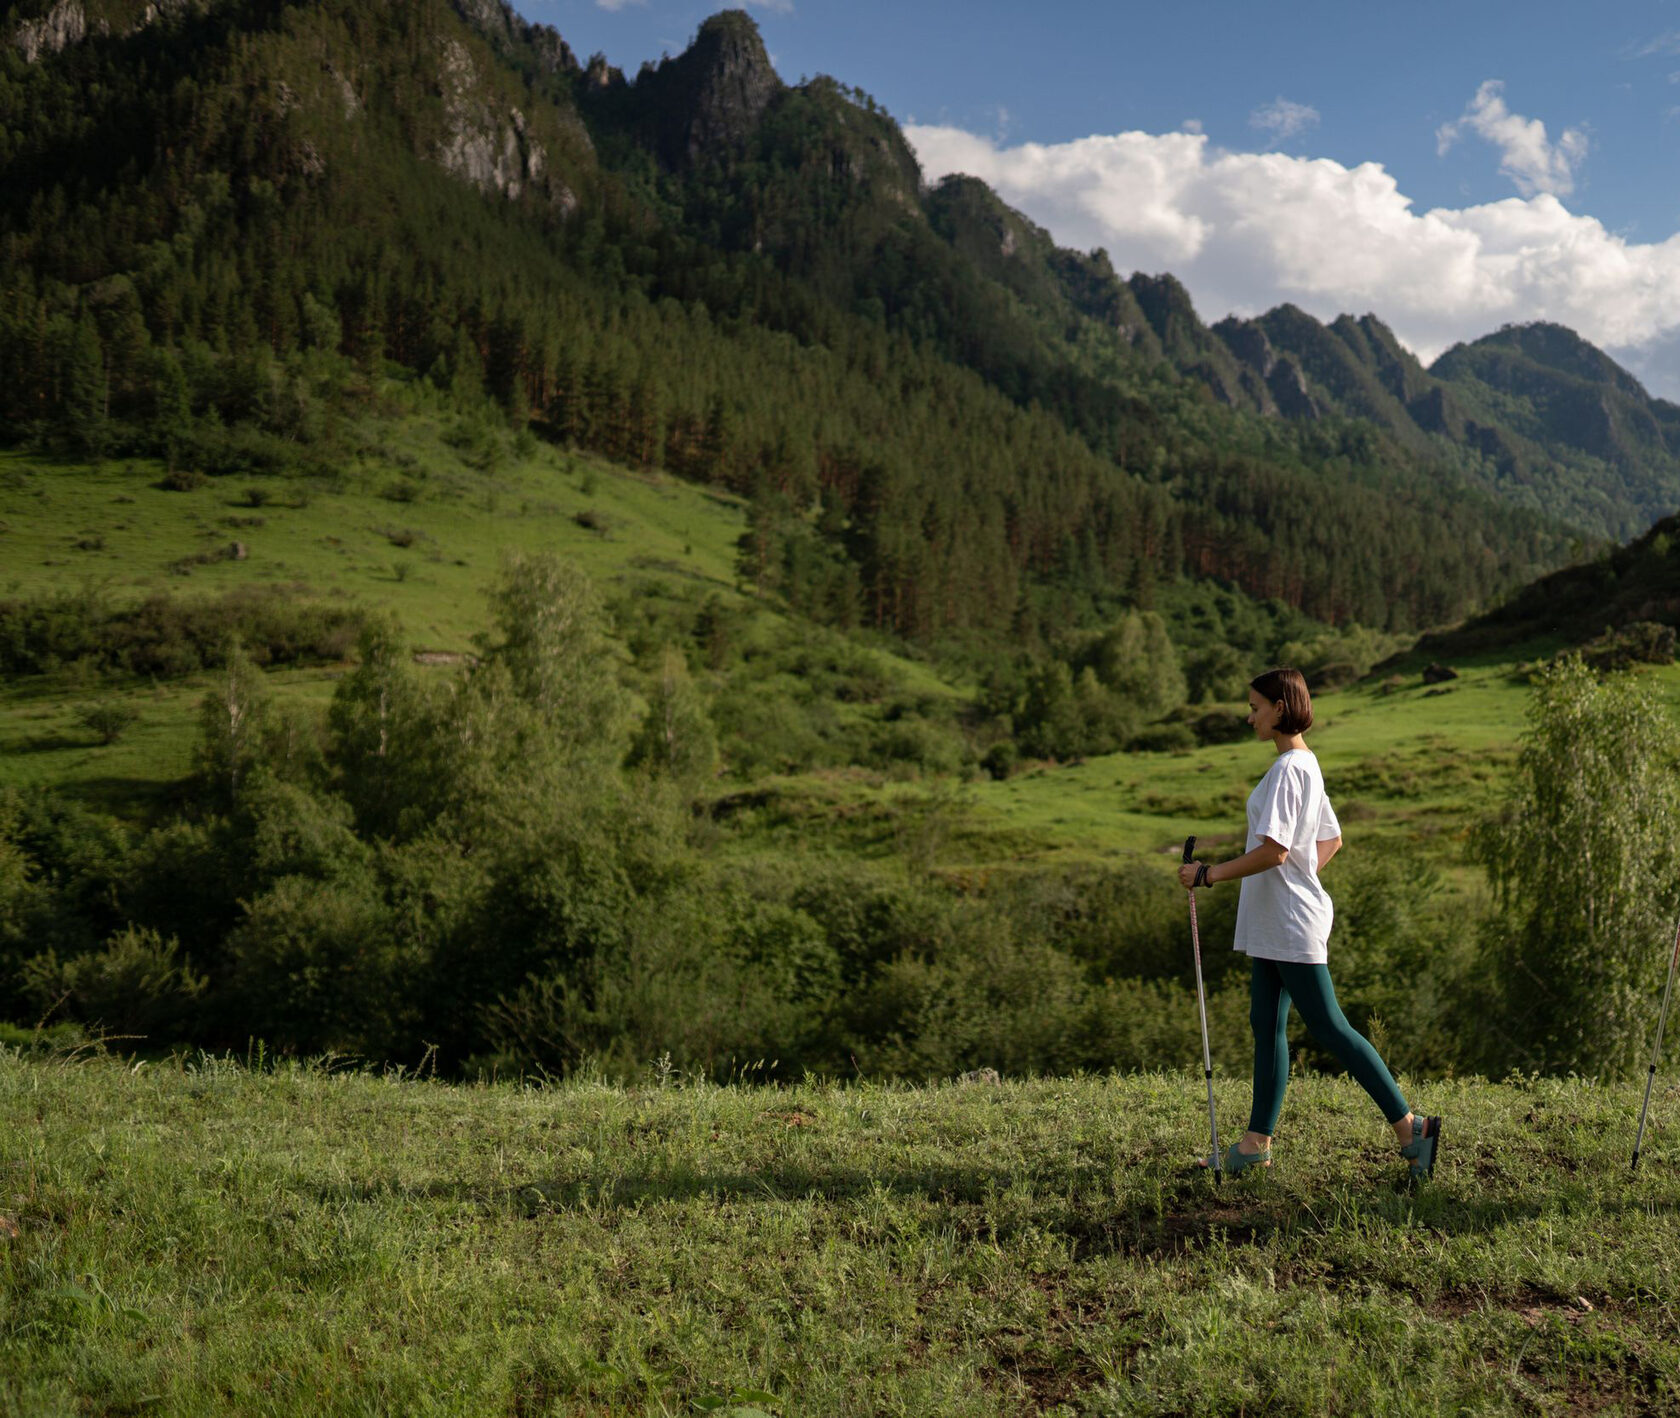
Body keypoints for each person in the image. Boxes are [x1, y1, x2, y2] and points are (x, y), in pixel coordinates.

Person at [1177, 667, 1442, 1182]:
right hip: (1278, 920)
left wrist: (1208, 875)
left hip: (1289, 923)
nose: (1249, 716)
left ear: (1280, 708)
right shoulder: (1304, 764)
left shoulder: (1287, 771)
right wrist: (1300, 877)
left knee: (1328, 1026)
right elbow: (1329, 841)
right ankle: (1255, 1144)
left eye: (1255, 707)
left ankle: (1413, 1129)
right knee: (1266, 1023)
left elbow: (1274, 852)